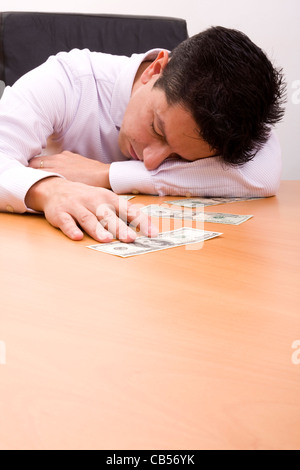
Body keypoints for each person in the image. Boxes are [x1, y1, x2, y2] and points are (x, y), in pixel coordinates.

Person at [0, 26, 285, 243]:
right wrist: (50, 190)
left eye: (177, 156)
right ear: (156, 69)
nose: (151, 161)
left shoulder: (216, 127)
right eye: (157, 129)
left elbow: (264, 173)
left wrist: (110, 174)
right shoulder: (68, 80)